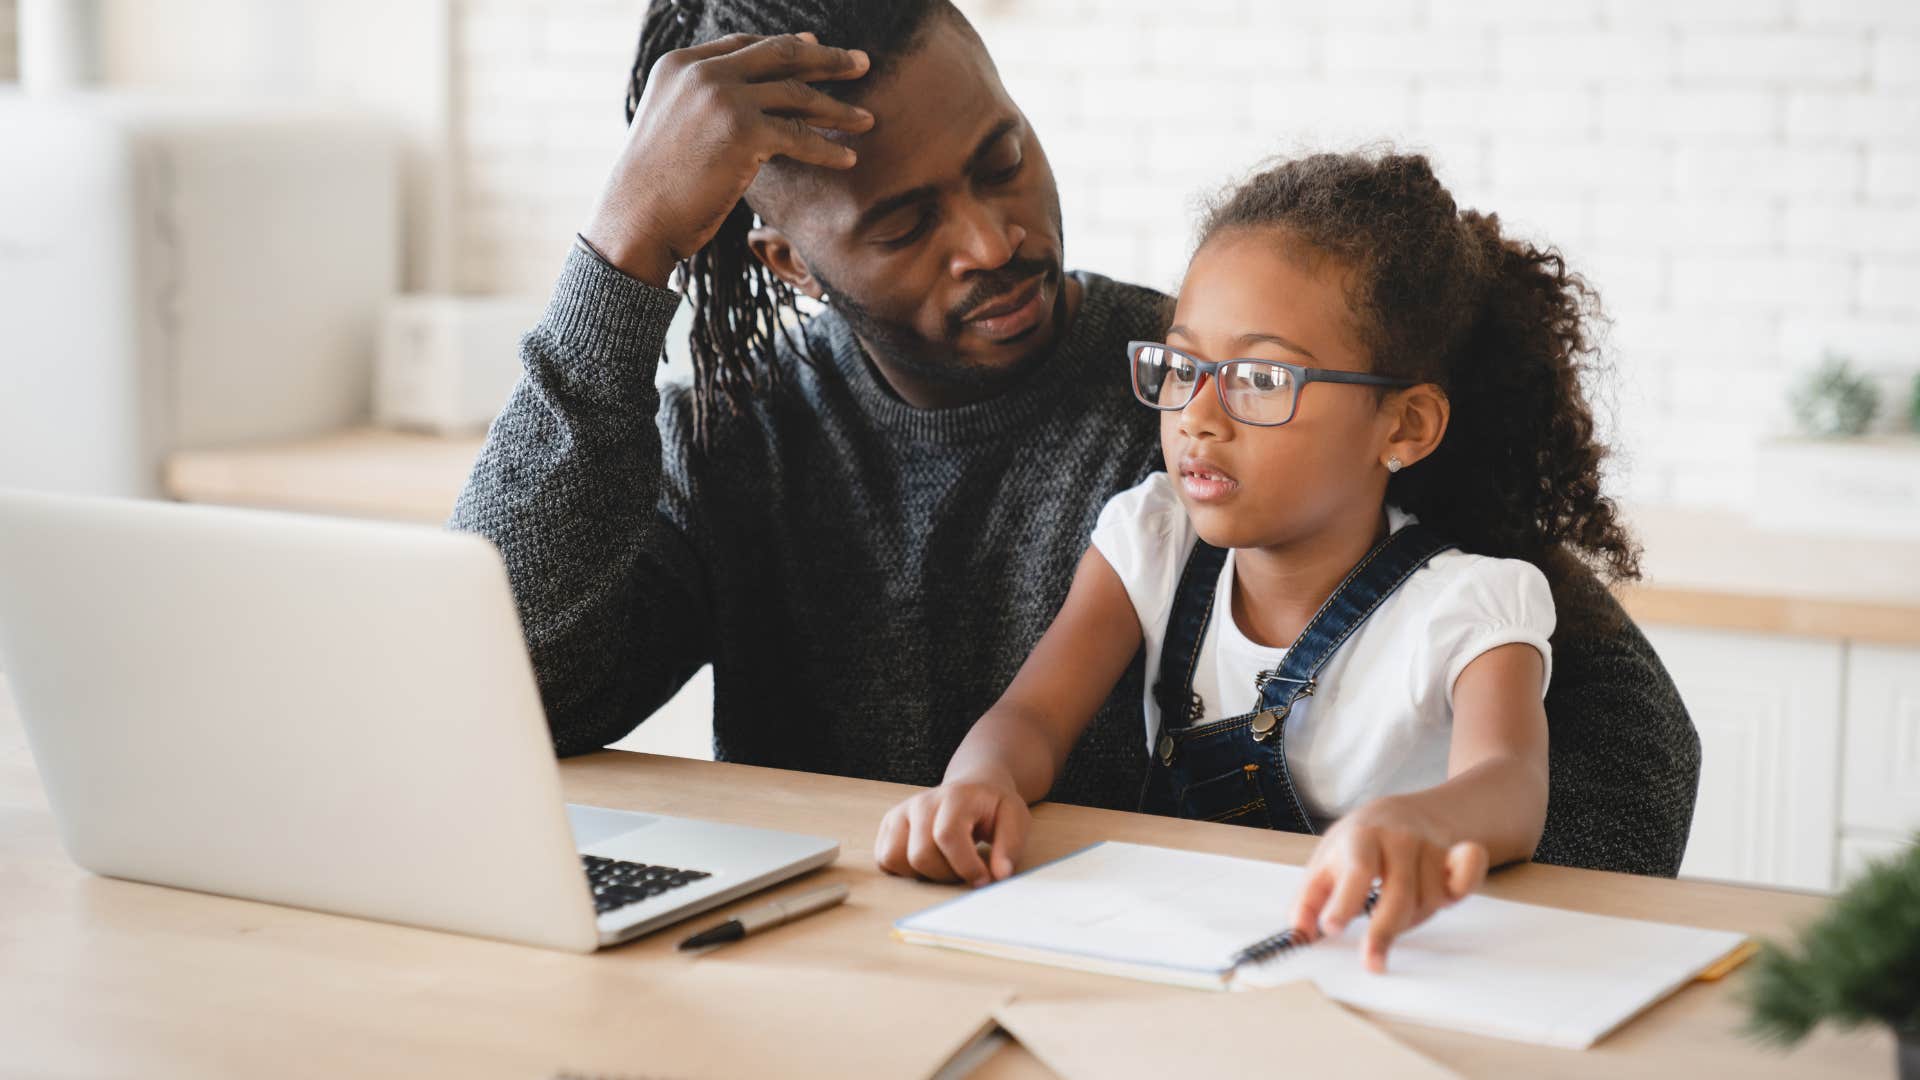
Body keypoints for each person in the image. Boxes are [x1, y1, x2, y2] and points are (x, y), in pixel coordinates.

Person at [448, 0, 1701, 877]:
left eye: (1003, 160)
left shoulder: (1228, 406)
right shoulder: (740, 440)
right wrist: (626, 251)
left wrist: (1380, 875)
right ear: (792, 261)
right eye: (903, 223)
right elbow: (502, 694)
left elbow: (1635, 736)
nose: (994, 239)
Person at [877, 150, 1651, 969]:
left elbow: (1512, 783)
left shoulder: (1469, 606)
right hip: (1180, 950)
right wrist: (980, 780)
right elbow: (1032, 715)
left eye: (1258, 376)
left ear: (1404, 427)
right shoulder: (1152, 539)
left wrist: (1419, 822)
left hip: (1379, 963)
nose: (1198, 416)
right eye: (1182, 366)